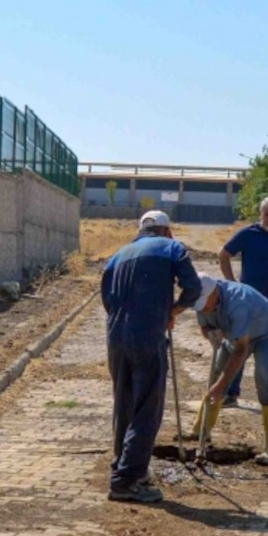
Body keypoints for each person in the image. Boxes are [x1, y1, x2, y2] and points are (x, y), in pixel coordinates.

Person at [101, 210, 202, 503]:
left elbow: (106, 298)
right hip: (148, 336)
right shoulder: (172, 248)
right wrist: (173, 311)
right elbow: (193, 288)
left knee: (125, 405)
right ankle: (125, 481)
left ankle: (126, 464)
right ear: (167, 231)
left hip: (116, 337)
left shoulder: (118, 254)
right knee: (147, 409)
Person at [194, 276, 268, 465]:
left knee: (264, 380)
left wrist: (222, 386)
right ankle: (200, 432)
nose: (203, 308)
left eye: (205, 304)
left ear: (215, 293)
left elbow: (241, 350)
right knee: (215, 376)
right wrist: (210, 334)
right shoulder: (200, 300)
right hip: (236, 335)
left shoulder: (238, 303)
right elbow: (205, 325)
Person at [217, 196, 268, 408]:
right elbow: (224, 255)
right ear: (260, 214)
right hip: (248, 306)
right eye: (267, 215)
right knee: (239, 346)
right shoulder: (248, 234)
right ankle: (230, 392)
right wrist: (232, 284)